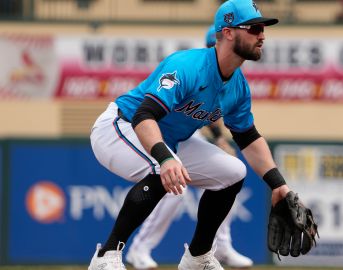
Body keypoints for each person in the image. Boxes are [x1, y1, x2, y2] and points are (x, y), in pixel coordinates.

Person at [88, 0, 292, 269]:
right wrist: (164, 158)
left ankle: (197, 257)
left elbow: (248, 138)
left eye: (263, 28)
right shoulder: (187, 65)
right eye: (254, 28)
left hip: (171, 139)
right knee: (164, 170)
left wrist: (278, 184)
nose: (262, 35)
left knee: (232, 173)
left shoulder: (238, 86)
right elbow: (143, 116)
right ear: (228, 32)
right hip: (119, 127)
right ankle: (107, 257)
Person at [125, 25, 253, 270]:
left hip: (185, 138)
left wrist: (219, 139)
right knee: (175, 187)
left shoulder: (231, 80)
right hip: (159, 133)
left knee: (229, 174)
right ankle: (139, 249)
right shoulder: (192, 67)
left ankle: (221, 246)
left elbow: (213, 111)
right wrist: (217, 137)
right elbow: (154, 112)